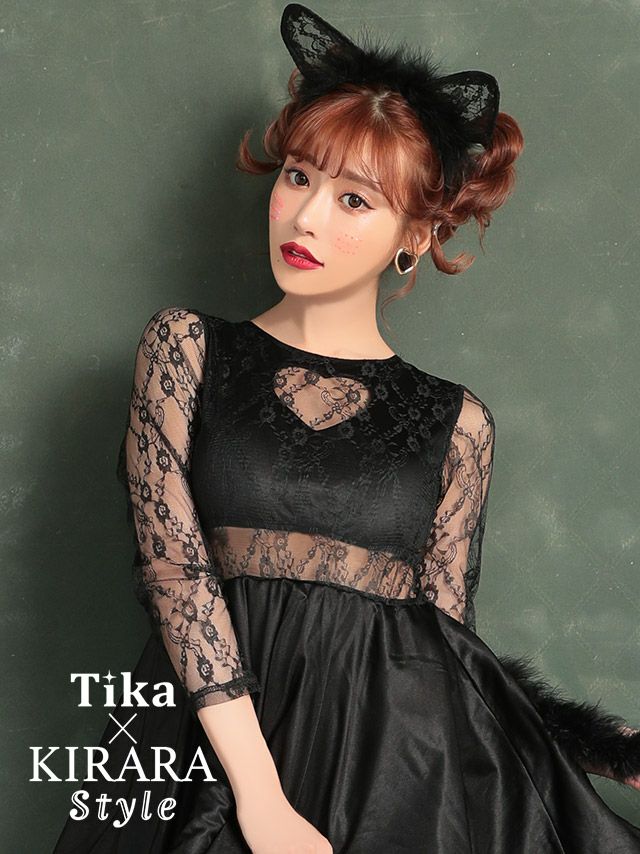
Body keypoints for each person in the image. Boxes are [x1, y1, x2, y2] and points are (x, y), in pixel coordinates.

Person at [53, 4, 640, 852]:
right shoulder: (187, 351)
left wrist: (597, 744)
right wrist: (260, 799)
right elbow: (176, 576)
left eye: (354, 199)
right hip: (204, 769)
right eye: (299, 176)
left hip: (388, 785)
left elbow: (449, 658)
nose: (307, 217)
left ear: (416, 235)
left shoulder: (456, 423)